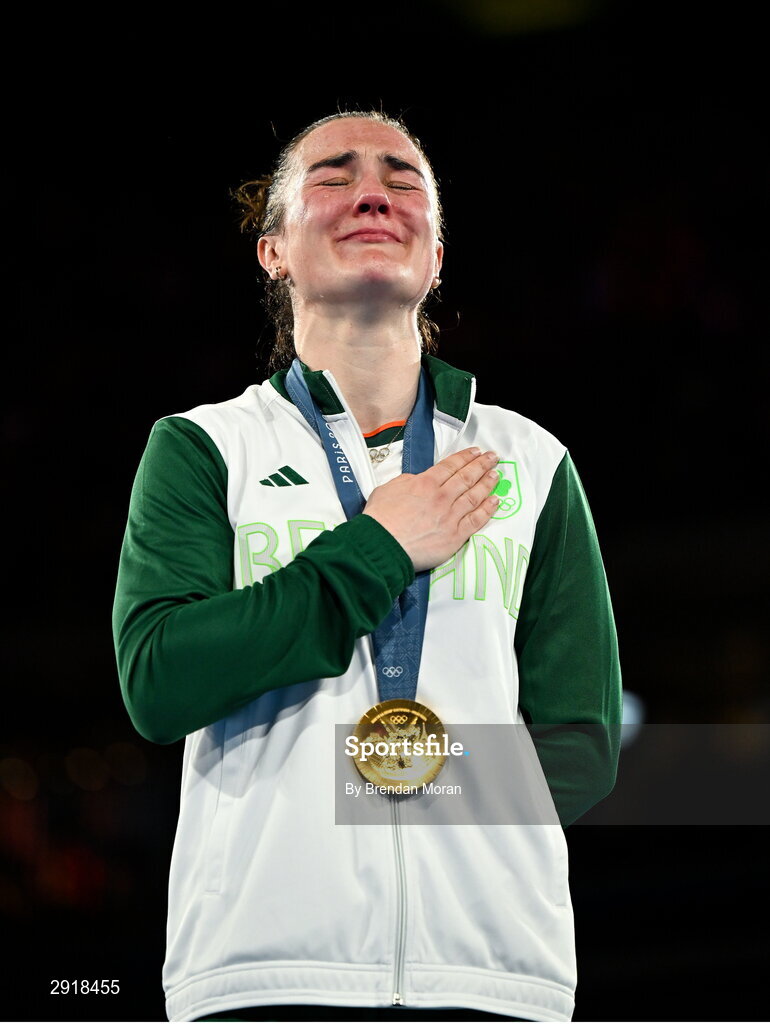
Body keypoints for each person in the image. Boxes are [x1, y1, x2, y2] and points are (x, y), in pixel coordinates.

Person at [112, 110, 622, 1023]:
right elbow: (159, 679)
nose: (373, 191)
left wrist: (385, 779)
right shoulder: (204, 447)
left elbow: (580, 745)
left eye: (402, 177)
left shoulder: (529, 462)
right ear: (273, 251)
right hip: (261, 978)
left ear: (435, 255)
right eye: (334, 175)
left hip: (494, 980)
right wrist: (378, 548)